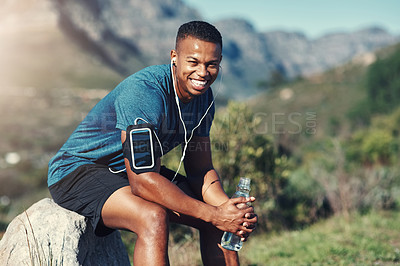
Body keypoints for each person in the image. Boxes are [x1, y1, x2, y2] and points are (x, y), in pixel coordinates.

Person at [47, 21, 257, 265]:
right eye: (193, 62)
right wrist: (215, 214)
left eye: (212, 64)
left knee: (219, 223)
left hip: (129, 173)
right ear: (175, 57)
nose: (203, 72)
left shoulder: (203, 97)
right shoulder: (145, 92)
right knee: (152, 216)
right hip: (78, 171)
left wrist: (230, 212)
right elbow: (143, 181)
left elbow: (200, 169)